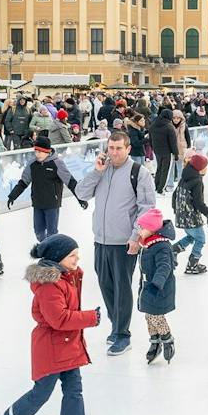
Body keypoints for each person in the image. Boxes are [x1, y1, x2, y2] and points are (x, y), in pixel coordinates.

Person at [0, 234, 104, 415]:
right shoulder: (49, 285)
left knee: (74, 390)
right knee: (41, 392)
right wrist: (90, 318)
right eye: (72, 255)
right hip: (51, 347)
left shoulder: (66, 277)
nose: (77, 258)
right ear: (57, 257)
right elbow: (58, 319)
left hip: (68, 345)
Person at [74, 131, 154, 356]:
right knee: (105, 285)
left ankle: (122, 334)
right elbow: (81, 193)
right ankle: (116, 324)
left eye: (119, 148)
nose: (115, 152)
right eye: (111, 148)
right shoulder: (102, 170)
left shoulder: (139, 173)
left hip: (124, 242)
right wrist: (96, 172)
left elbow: (147, 207)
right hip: (101, 239)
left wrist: (136, 237)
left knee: (121, 288)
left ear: (128, 149)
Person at [6, 133, 85, 242]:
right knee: (38, 232)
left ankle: (51, 253)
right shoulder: (32, 164)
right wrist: (12, 196)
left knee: (52, 233)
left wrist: (81, 198)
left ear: (47, 152)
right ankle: (45, 249)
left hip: (52, 203)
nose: (37, 154)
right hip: (38, 203)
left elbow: (70, 182)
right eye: (35, 151)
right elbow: (23, 182)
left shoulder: (57, 163)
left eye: (40, 152)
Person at [127, 207, 178, 364]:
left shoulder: (162, 246)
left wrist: (156, 284)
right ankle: (155, 341)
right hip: (147, 286)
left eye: (142, 227)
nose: (140, 230)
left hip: (158, 288)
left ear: (152, 229)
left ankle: (167, 338)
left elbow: (165, 267)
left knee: (156, 316)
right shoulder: (148, 243)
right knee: (149, 316)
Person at [172, 152, 208, 275]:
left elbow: (175, 195)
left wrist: (176, 210)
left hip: (182, 215)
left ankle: (174, 250)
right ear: (200, 168)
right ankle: (192, 264)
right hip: (191, 217)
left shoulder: (185, 176)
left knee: (191, 237)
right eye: (205, 166)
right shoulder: (197, 181)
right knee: (200, 239)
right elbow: (199, 204)